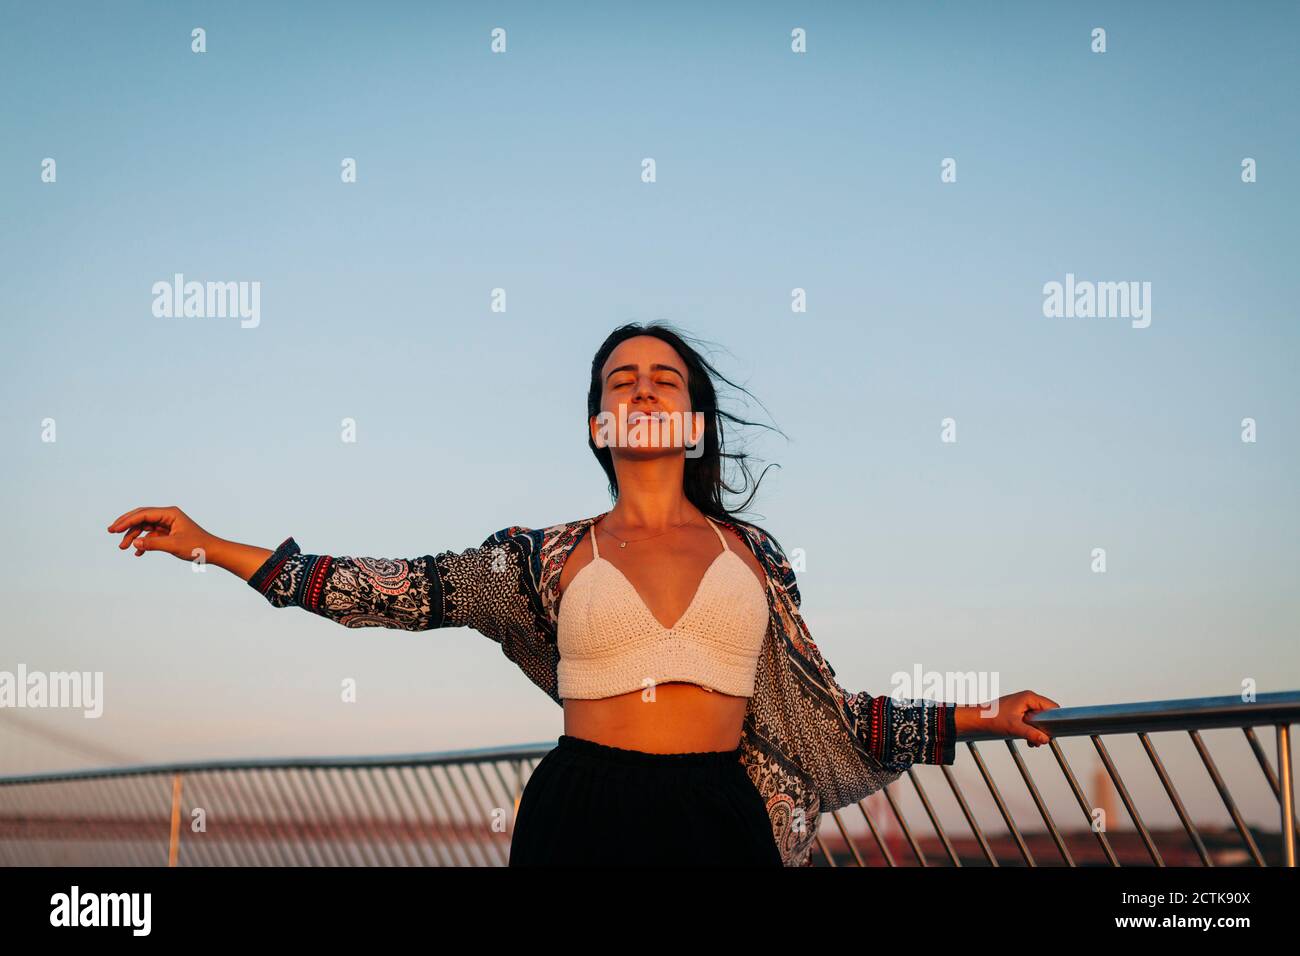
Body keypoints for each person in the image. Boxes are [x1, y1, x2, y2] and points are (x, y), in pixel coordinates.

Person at [107, 321, 1059, 866]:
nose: (644, 391)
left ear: (692, 421)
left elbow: (829, 712)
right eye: (622, 380)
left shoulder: (754, 554)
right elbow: (389, 590)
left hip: (719, 815)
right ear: (600, 421)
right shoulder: (542, 557)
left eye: (665, 380)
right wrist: (211, 546)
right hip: (582, 811)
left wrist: (986, 713)